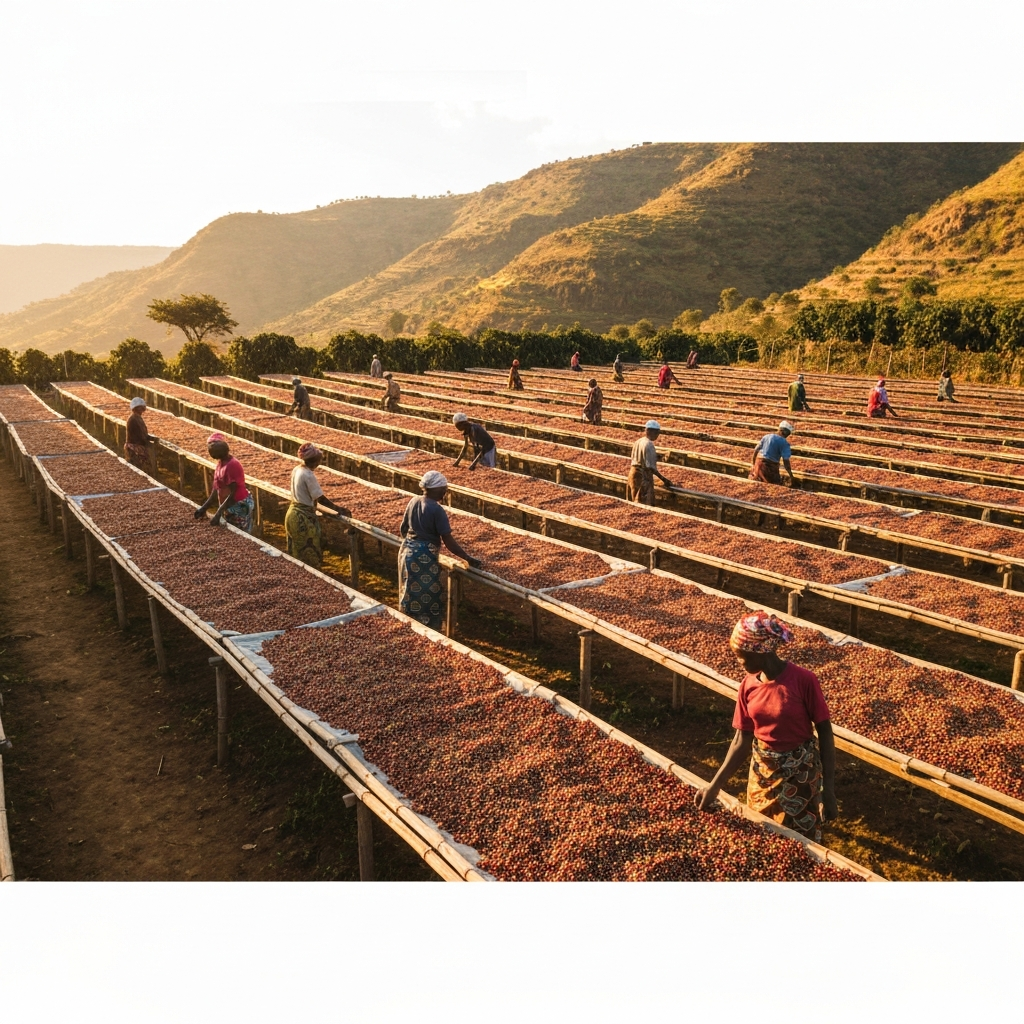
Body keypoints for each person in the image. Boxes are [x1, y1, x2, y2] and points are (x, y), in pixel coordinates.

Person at [694, 611, 837, 842]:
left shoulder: (804, 681)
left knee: (800, 842)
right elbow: (741, 740)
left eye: (743, 655)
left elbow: (826, 734)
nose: (739, 661)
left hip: (799, 774)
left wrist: (828, 791)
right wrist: (714, 786)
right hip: (763, 774)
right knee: (761, 836)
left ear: (762, 650)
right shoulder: (747, 686)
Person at [399, 470, 482, 630]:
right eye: (443, 489)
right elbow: (448, 540)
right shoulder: (437, 510)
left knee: (409, 588)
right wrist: (467, 558)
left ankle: (409, 623)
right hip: (424, 557)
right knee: (427, 593)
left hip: (407, 552)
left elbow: (403, 529)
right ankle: (427, 628)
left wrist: (411, 545)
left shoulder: (414, 501)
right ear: (434, 489)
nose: (445, 492)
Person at [284, 443, 351, 568]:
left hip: (292, 513)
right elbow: (320, 499)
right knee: (308, 556)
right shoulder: (308, 475)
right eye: (319, 460)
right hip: (303, 519)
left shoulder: (297, 469)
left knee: (296, 554)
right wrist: (338, 509)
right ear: (314, 461)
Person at [194, 433, 254, 532]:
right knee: (231, 531)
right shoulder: (221, 463)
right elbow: (216, 488)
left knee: (240, 534)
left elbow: (233, 493)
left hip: (239, 505)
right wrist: (204, 508)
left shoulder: (232, 465)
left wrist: (218, 514)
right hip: (228, 505)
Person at [626, 420, 675, 504]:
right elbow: (650, 468)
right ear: (650, 431)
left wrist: (660, 457)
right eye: (657, 433)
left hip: (632, 474)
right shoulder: (649, 445)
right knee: (643, 504)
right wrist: (664, 480)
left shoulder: (638, 441)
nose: (657, 435)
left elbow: (640, 458)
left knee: (633, 502)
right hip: (643, 477)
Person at [750, 421, 795, 486]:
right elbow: (786, 461)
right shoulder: (784, 443)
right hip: (770, 468)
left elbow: (756, 450)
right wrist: (791, 475)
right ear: (784, 432)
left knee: (755, 483)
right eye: (788, 433)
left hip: (758, 464)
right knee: (773, 485)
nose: (787, 436)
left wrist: (753, 464)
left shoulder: (766, 436)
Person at [124, 396, 156, 470]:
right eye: (139, 408)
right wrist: (147, 441)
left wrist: (151, 438)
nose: (141, 410)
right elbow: (140, 436)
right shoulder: (133, 419)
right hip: (134, 448)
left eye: (142, 408)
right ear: (135, 409)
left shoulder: (137, 418)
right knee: (137, 469)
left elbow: (143, 434)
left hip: (137, 446)